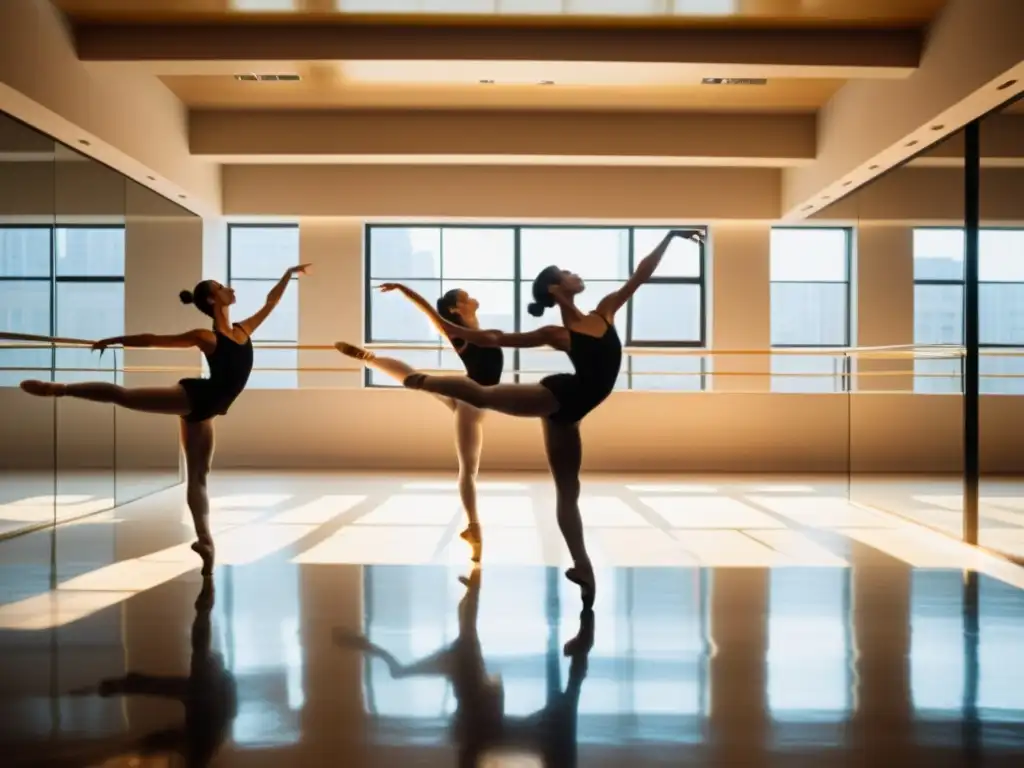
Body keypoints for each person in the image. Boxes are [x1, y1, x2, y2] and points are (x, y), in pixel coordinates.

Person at [336, 230, 703, 607]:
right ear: (557, 288)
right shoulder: (556, 333)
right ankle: (419, 380)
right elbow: (495, 339)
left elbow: (641, 274)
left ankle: (582, 567)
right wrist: (452, 328)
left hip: (572, 414)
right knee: (482, 396)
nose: (576, 273)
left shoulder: (605, 310)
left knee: (568, 491)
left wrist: (671, 237)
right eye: (567, 271)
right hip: (559, 395)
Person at [19, 264, 310, 575]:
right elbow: (153, 339)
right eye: (222, 287)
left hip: (208, 410)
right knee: (125, 396)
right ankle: (59, 389)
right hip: (194, 398)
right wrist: (115, 339)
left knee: (200, 476)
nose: (230, 289)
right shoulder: (206, 337)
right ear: (213, 300)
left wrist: (288, 274)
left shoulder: (243, 330)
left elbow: (271, 302)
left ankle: (205, 542)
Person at [352, 283, 502, 561]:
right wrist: (402, 289)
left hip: (472, 400)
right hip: (471, 396)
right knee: (468, 470)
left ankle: (371, 360)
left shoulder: (480, 330)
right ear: (456, 309)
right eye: (464, 297)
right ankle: (474, 528)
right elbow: (429, 311)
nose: (470, 296)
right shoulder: (460, 334)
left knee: (423, 384)